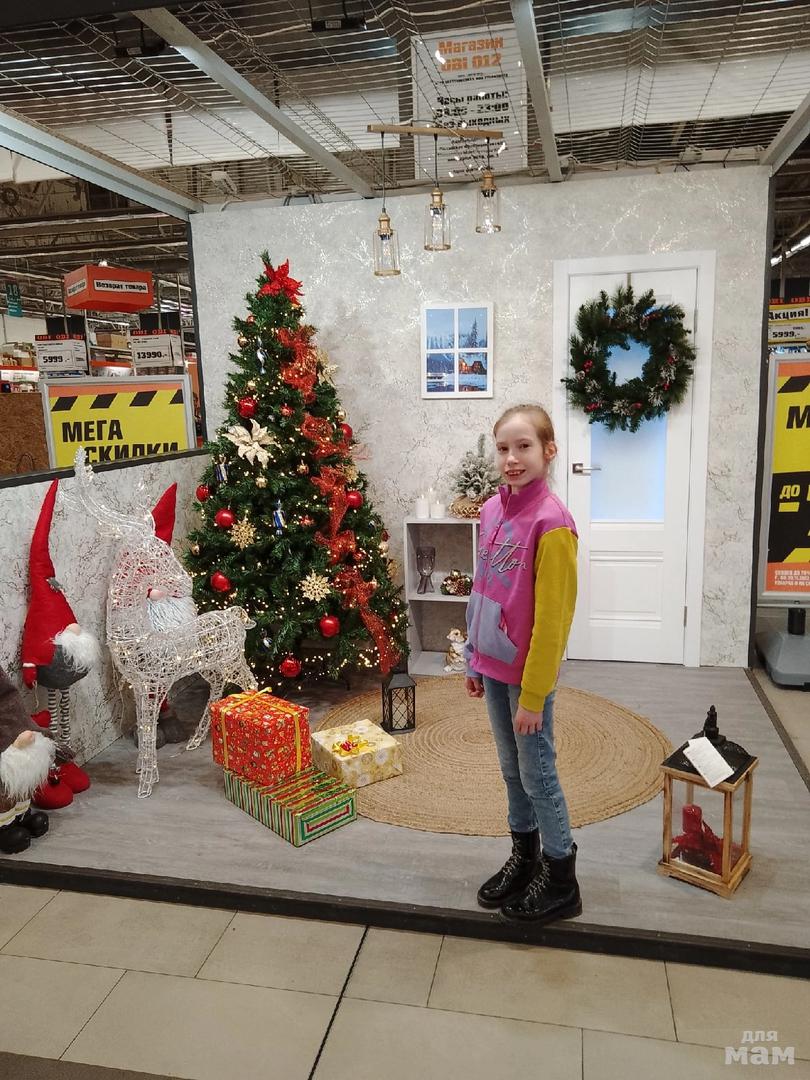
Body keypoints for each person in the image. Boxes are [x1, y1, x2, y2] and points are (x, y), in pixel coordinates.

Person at [464, 404, 580, 923]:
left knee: (539, 775)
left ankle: (561, 880)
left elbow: (553, 623)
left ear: (548, 451)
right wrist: (473, 656)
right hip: (492, 665)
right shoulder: (492, 510)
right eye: (504, 449)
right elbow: (482, 589)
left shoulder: (553, 524)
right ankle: (525, 857)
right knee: (512, 771)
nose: (512, 458)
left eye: (524, 447)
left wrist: (533, 697)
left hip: (527, 677)